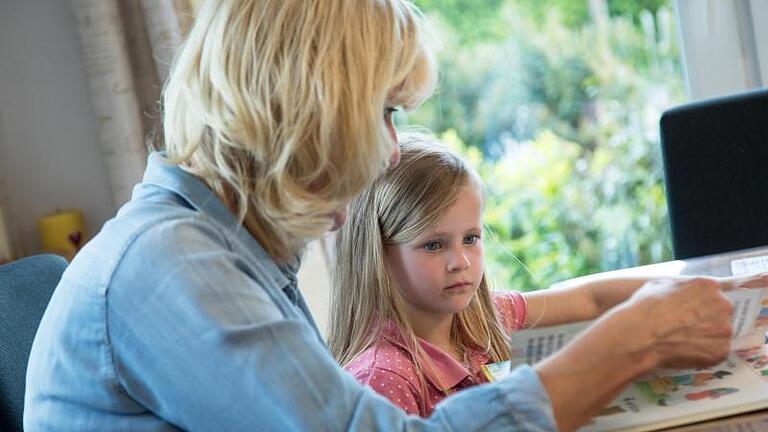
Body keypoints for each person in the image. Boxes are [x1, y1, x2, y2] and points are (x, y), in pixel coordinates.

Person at [20, 0, 742, 431]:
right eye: (383, 113)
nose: (391, 150)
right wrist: (632, 346)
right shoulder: (171, 266)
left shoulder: (224, 252)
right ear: (314, 109)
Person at [329, 134, 768, 421]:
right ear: (378, 256)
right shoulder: (381, 376)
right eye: (433, 245)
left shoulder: (478, 317)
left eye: (472, 238)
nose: (460, 261)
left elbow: (591, 300)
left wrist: (708, 292)